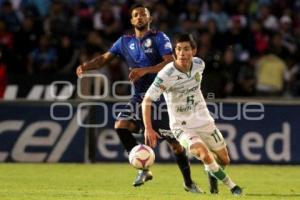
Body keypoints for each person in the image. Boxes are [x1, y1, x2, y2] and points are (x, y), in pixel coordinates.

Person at [76, 4, 201, 193]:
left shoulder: (160, 37)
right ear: (132, 20)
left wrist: (145, 71)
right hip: (139, 97)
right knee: (121, 125)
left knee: (175, 144)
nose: (140, 17)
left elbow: (170, 62)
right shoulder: (124, 42)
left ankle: (188, 182)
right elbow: (104, 58)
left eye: (143, 14)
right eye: (136, 15)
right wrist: (86, 66)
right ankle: (143, 168)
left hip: (161, 98)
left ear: (149, 19)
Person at [142, 33, 243, 195]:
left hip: (203, 119)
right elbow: (147, 100)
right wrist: (148, 127)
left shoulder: (199, 65)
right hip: (181, 125)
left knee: (224, 160)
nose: (182, 53)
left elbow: (194, 84)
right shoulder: (166, 74)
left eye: (186, 49)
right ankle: (233, 187)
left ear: (194, 51)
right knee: (204, 154)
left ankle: (211, 172)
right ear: (175, 52)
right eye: (179, 49)